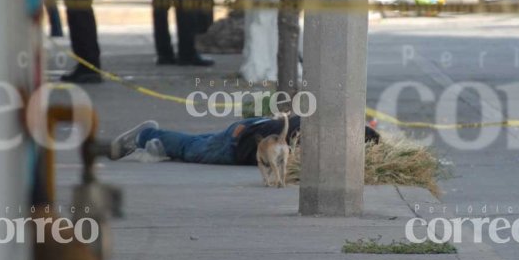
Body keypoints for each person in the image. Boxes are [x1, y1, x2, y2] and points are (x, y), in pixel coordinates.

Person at [110, 116, 381, 166]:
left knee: (201, 141)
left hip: (252, 128)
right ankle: (145, 136)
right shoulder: (313, 146)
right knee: (191, 148)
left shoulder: (331, 126)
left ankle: (158, 145)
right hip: (239, 144)